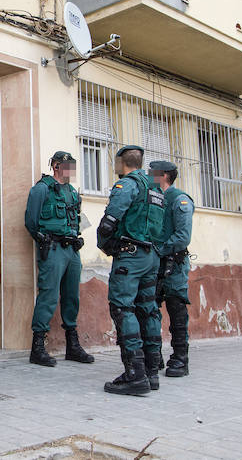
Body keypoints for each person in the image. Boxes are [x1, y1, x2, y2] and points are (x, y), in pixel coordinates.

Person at [96, 145, 165, 396]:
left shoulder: (127, 185)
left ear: (121, 162)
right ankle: (151, 372)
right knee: (148, 309)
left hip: (130, 257)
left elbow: (108, 223)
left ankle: (134, 374)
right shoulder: (155, 188)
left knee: (123, 308)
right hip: (151, 256)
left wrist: (107, 243)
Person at [24, 151, 95, 367]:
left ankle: (72, 346)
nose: (71, 171)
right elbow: (31, 222)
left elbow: (79, 220)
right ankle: (38, 348)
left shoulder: (73, 192)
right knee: (49, 295)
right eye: (67, 166)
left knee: (72, 296)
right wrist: (44, 240)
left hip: (72, 250)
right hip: (53, 248)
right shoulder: (42, 189)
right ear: (56, 166)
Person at [149, 160, 195, 378]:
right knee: (150, 309)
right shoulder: (154, 199)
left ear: (164, 176)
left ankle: (180, 358)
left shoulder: (180, 200)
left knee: (177, 310)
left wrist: (159, 249)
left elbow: (182, 237)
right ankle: (154, 355)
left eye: (152, 173)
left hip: (173, 264)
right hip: (154, 264)